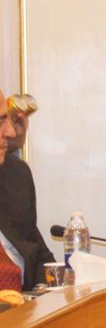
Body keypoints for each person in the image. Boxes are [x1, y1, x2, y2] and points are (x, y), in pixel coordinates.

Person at [0, 87, 55, 291]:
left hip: (26, 300)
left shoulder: (16, 174)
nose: (11, 132)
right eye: (0, 122)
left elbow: (37, 254)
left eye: (7, 119)